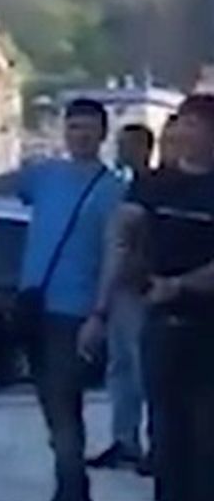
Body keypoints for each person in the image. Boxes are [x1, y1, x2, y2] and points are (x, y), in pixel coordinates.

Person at [0, 99, 123, 501]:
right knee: (53, 406)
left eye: (88, 129)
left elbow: (114, 253)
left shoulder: (111, 188)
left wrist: (100, 313)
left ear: (102, 134)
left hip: (75, 310)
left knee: (65, 406)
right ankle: (73, 494)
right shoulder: (45, 175)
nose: (80, 136)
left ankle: (70, 498)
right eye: (74, 127)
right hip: (36, 305)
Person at [87, 95, 214, 501]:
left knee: (208, 437)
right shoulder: (154, 183)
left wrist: (179, 285)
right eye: (183, 122)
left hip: (207, 326)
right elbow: (123, 239)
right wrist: (102, 306)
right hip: (160, 326)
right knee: (166, 431)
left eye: (197, 124)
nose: (185, 131)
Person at [93, 122, 158, 470]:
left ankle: (156, 441)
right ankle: (125, 438)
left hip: (141, 286)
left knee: (142, 365)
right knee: (120, 365)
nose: (122, 151)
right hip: (119, 286)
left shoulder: (154, 186)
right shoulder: (121, 187)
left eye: (128, 145)